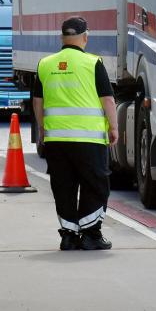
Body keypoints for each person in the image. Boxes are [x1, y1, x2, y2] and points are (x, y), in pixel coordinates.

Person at [31, 16, 119, 250]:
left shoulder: (45, 64)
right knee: (95, 185)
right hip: (89, 140)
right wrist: (113, 127)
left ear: (61, 38)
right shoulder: (93, 63)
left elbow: (38, 101)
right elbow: (108, 100)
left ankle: (69, 237)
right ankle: (91, 235)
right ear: (85, 37)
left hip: (56, 141)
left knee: (64, 187)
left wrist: (42, 128)